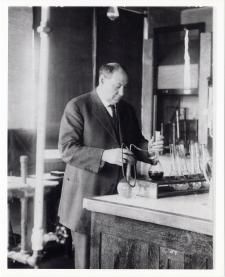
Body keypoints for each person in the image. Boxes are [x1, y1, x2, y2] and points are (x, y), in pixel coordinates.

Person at [58, 63, 163, 268]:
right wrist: (105, 155)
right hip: (86, 195)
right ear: (102, 81)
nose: (122, 93)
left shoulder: (126, 109)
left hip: (120, 196)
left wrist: (150, 149)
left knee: (115, 259)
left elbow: (135, 142)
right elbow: (67, 149)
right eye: (117, 86)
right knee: (86, 262)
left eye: (124, 86)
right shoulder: (78, 106)